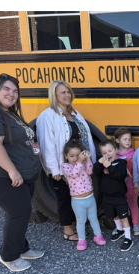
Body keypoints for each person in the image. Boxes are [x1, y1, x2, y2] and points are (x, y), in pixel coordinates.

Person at [0, 73, 44, 271]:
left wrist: (33, 151)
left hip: (21, 174)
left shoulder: (8, 113)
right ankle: (8, 256)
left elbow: (22, 140)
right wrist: (13, 171)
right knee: (20, 212)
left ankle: (21, 248)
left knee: (18, 212)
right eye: (6, 89)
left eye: (15, 91)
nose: (11, 94)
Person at [36, 79, 98, 243]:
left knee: (78, 196)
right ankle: (68, 230)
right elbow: (46, 144)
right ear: (54, 95)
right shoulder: (47, 116)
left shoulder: (75, 114)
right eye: (63, 92)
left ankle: (79, 225)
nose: (67, 95)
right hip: (64, 168)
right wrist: (54, 170)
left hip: (81, 167)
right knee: (64, 197)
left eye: (68, 91)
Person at [60, 141, 105, 251]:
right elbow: (74, 174)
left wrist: (88, 159)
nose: (75, 158)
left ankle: (98, 236)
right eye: (71, 156)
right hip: (77, 200)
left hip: (90, 197)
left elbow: (90, 171)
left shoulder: (83, 164)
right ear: (66, 156)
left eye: (77, 155)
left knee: (93, 218)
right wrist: (80, 161)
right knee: (81, 220)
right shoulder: (65, 167)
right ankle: (81, 240)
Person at [97, 139, 134, 251]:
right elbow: (95, 172)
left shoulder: (121, 163)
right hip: (107, 197)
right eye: (104, 153)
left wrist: (110, 167)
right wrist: (100, 163)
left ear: (116, 150)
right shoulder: (103, 164)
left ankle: (128, 238)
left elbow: (120, 175)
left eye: (110, 150)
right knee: (114, 215)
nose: (107, 154)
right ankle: (120, 230)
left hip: (119, 197)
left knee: (123, 217)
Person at [114, 128, 139, 236]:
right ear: (117, 140)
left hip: (131, 183)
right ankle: (122, 226)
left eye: (129, 139)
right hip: (118, 185)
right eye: (124, 139)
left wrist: (137, 184)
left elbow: (136, 170)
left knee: (133, 204)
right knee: (120, 205)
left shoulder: (133, 153)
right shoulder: (114, 154)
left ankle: (136, 224)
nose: (127, 141)